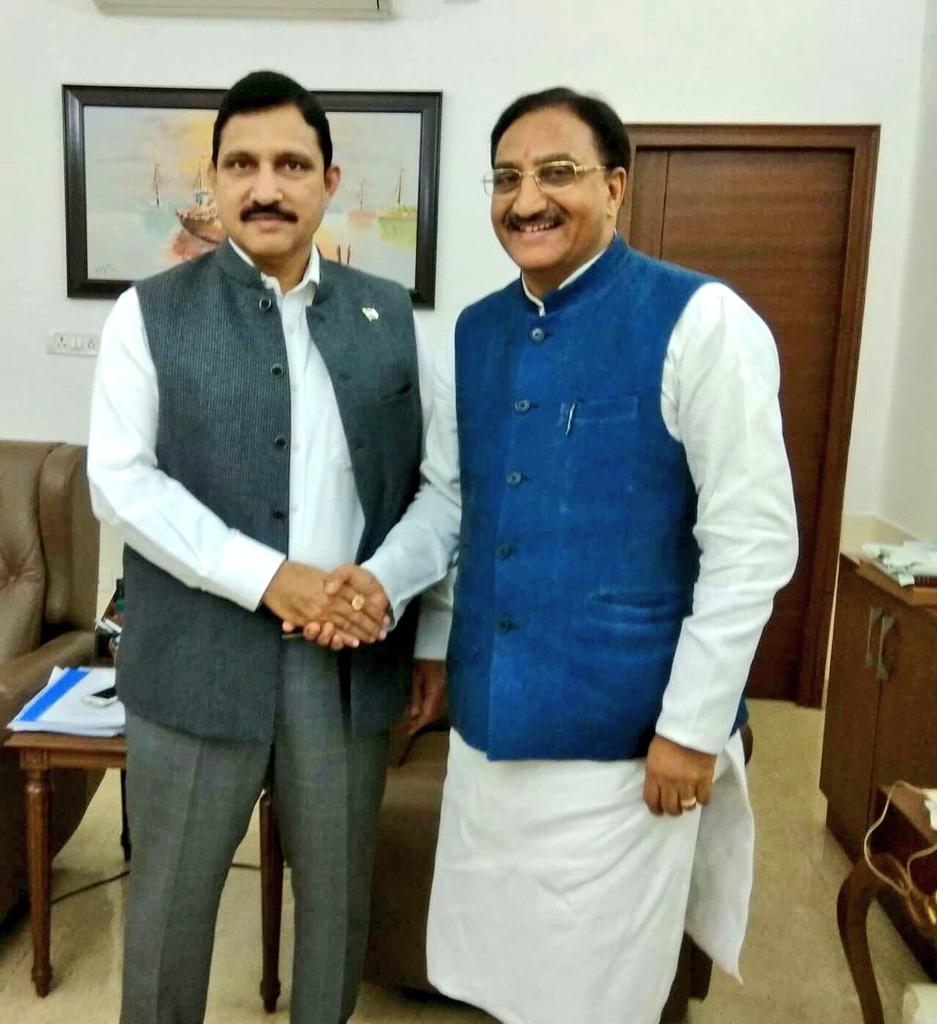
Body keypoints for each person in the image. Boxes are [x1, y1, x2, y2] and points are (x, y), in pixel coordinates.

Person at [410, 87, 799, 1024]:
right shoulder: (473, 331)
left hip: (625, 740)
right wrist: (431, 644)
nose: (526, 200)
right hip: (488, 727)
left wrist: (691, 730)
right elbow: (459, 504)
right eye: (505, 178)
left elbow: (750, 545)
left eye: (557, 173)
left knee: (594, 992)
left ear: (615, 187)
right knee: (495, 973)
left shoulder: (702, 321)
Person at [87, 70, 455, 1024]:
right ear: (211, 180)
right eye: (242, 164)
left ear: (328, 180)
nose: (266, 187)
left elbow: (438, 488)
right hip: (195, 667)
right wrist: (270, 579)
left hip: (347, 671)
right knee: (168, 915)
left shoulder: (390, 318)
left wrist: (391, 594)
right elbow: (120, 481)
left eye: (291, 165)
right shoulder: (148, 314)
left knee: (336, 910)